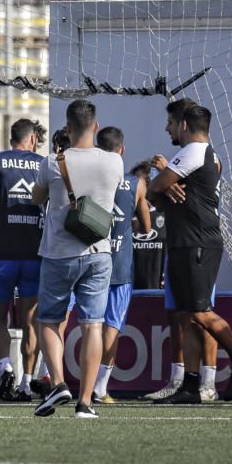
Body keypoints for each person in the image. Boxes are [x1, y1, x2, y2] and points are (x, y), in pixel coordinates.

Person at [148, 103, 232, 404]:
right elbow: (162, 190)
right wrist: (168, 189)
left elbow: (154, 187)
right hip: (185, 241)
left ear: (183, 125)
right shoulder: (201, 154)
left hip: (198, 242)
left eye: (170, 122)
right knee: (186, 316)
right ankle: (191, 385)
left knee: (199, 312)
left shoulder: (194, 151)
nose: (167, 129)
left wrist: (164, 187)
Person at [30, 100, 122, 420]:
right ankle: (86, 402)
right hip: (98, 252)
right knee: (92, 326)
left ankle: (58, 382)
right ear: (95, 126)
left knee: (48, 321)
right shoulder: (114, 162)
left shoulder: (53, 162)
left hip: (58, 253)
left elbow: (36, 198)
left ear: (68, 129)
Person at [0, 118, 46, 402]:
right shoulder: (44, 163)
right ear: (31, 140)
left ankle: (6, 367)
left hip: (2, 254)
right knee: (31, 321)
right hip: (35, 255)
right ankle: (28, 383)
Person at [92, 126, 151, 404]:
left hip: (91, 262)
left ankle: (55, 378)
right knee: (111, 327)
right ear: (122, 151)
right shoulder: (136, 184)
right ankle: (100, 388)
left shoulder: (88, 179)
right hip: (120, 266)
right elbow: (146, 225)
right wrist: (130, 225)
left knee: (90, 324)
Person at [130, 161, 166, 290]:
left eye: (144, 181)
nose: (138, 186)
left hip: (158, 291)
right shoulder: (124, 215)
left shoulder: (166, 214)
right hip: (129, 291)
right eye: (135, 182)